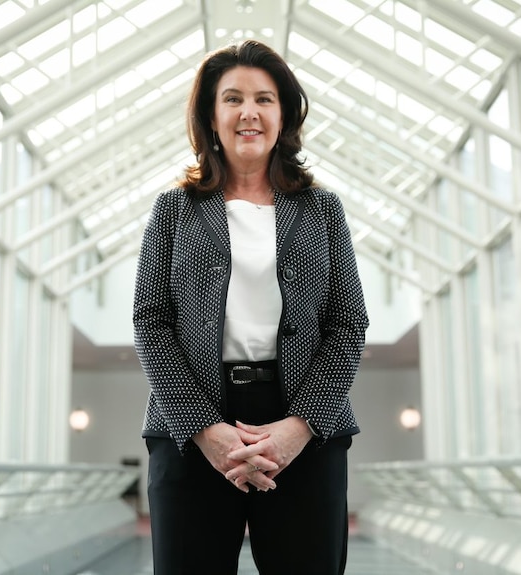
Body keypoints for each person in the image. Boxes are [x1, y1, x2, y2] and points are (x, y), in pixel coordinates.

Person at [132, 39, 369, 575]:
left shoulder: (321, 209)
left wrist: (298, 427)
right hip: (190, 426)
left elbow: (348, 323)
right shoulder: (174, 209)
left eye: (264, 99)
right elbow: (150, 319)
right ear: (210, 117)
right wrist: (206, 431)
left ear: (283, 115)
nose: (249, 112)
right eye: (232, 98)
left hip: (305, 425)